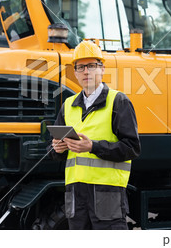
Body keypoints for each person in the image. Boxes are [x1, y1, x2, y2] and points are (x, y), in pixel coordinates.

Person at [50, 40, 141, 230]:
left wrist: (93, 147)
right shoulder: (67, 105)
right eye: (81, 67)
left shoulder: (118, 101)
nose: (86, 72)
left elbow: (132, 148)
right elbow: (55, 151)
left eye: (91, 66)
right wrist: (56, 149)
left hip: (107, 191)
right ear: (74, 72)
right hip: (76, 194)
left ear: (102, 69)